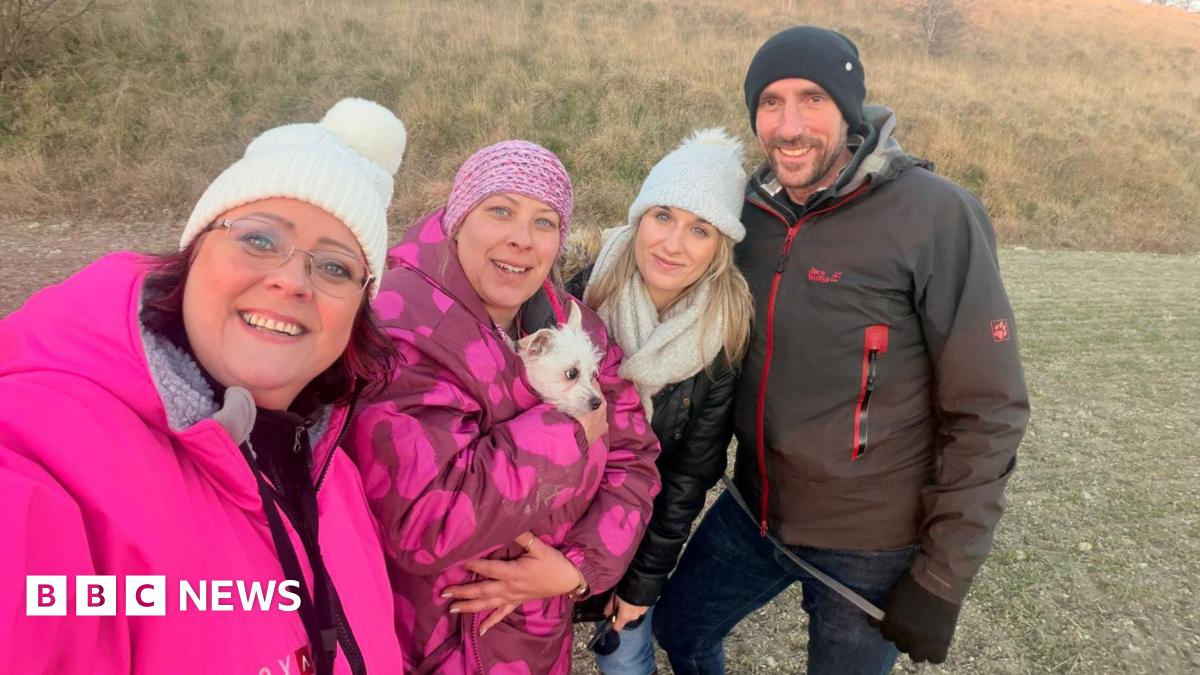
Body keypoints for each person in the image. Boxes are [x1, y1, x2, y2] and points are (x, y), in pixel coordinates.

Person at [652, 26, 1031, 674]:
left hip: (871, 542)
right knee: (679, 630)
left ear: (850, 108)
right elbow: (658, 252)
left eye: (812, 99)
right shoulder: (746, 212)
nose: (788, 124)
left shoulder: (934, 216)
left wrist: (941, 578)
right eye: (770, 102)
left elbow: (989, 409)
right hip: (754, 509)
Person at [0, 98, 409, 673]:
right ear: (192, 255)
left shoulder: (327, 471)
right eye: (260, 240)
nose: (291, 280)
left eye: (335, 267)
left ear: (358, 316)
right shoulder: (42, 447)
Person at [344, 140, 661, 674]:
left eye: (544, 222)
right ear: (458, 218)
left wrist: (574, 568)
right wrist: (571, 430)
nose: (521, 237)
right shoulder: (404, 328)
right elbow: (425, 521)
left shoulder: (570, 322)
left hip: (539, 628)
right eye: (500, 210)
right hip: (441, 640)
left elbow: (634, 459)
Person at [547, 129, 753, 674]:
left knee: (625, 657)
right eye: (663, 216)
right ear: (640, 217)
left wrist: (641, 586)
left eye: (699, 229)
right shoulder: (581, 293)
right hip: (547, 529)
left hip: (635, 540)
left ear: (720, 245)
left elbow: (687, 479)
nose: (672, 244)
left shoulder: (723, 336)